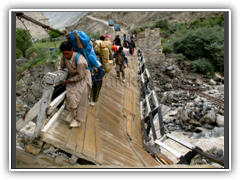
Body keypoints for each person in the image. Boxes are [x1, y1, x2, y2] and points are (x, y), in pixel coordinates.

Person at [58, 41, 92, 128]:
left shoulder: (80, 61)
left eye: (67, 53)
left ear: (72, 50)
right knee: (70, 96)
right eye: (64, 54)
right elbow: (61, 66)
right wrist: (59, 71)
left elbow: (81, 75)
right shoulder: (64, 57)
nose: (66, 56)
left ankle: (78, 120)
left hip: (83, 77)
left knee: (82, 99)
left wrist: (68, 81)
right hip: (73, 77)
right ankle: (73, 112)